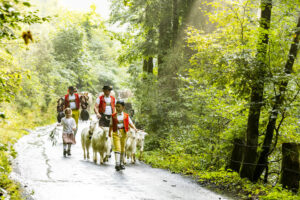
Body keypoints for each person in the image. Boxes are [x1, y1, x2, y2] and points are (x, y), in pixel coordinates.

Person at [109, 100, 137, 171]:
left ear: (123, 107)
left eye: (119, 107)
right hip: (116, 132)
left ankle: (121, 163)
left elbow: (130, 123)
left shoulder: (126, 116)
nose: (117, 108)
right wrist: (109, 132)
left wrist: (135, 128)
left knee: (122, 148)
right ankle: (117, 163)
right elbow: (111, 125)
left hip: (124, 132)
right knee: (117, 147)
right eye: (116, 106)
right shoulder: (113, 116)